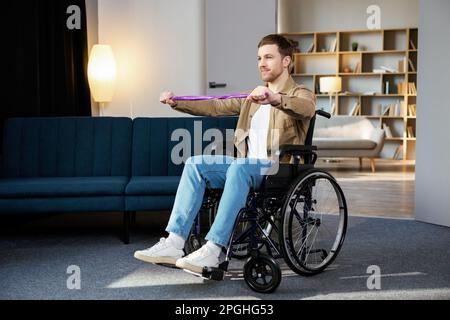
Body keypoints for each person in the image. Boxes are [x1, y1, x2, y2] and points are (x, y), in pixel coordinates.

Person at [134, 34, 316, 274]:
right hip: (247, 165)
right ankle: (174, 242)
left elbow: (308, 108)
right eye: (259, 58)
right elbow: (215, 106)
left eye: (269, 57)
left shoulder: (300, 93)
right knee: (195, 163)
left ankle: (213, 249)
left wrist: (275, 98)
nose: (262, 63)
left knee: (239, 167)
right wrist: (176, 101)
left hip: (277, 168)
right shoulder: (251, 99)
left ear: (286, 62)